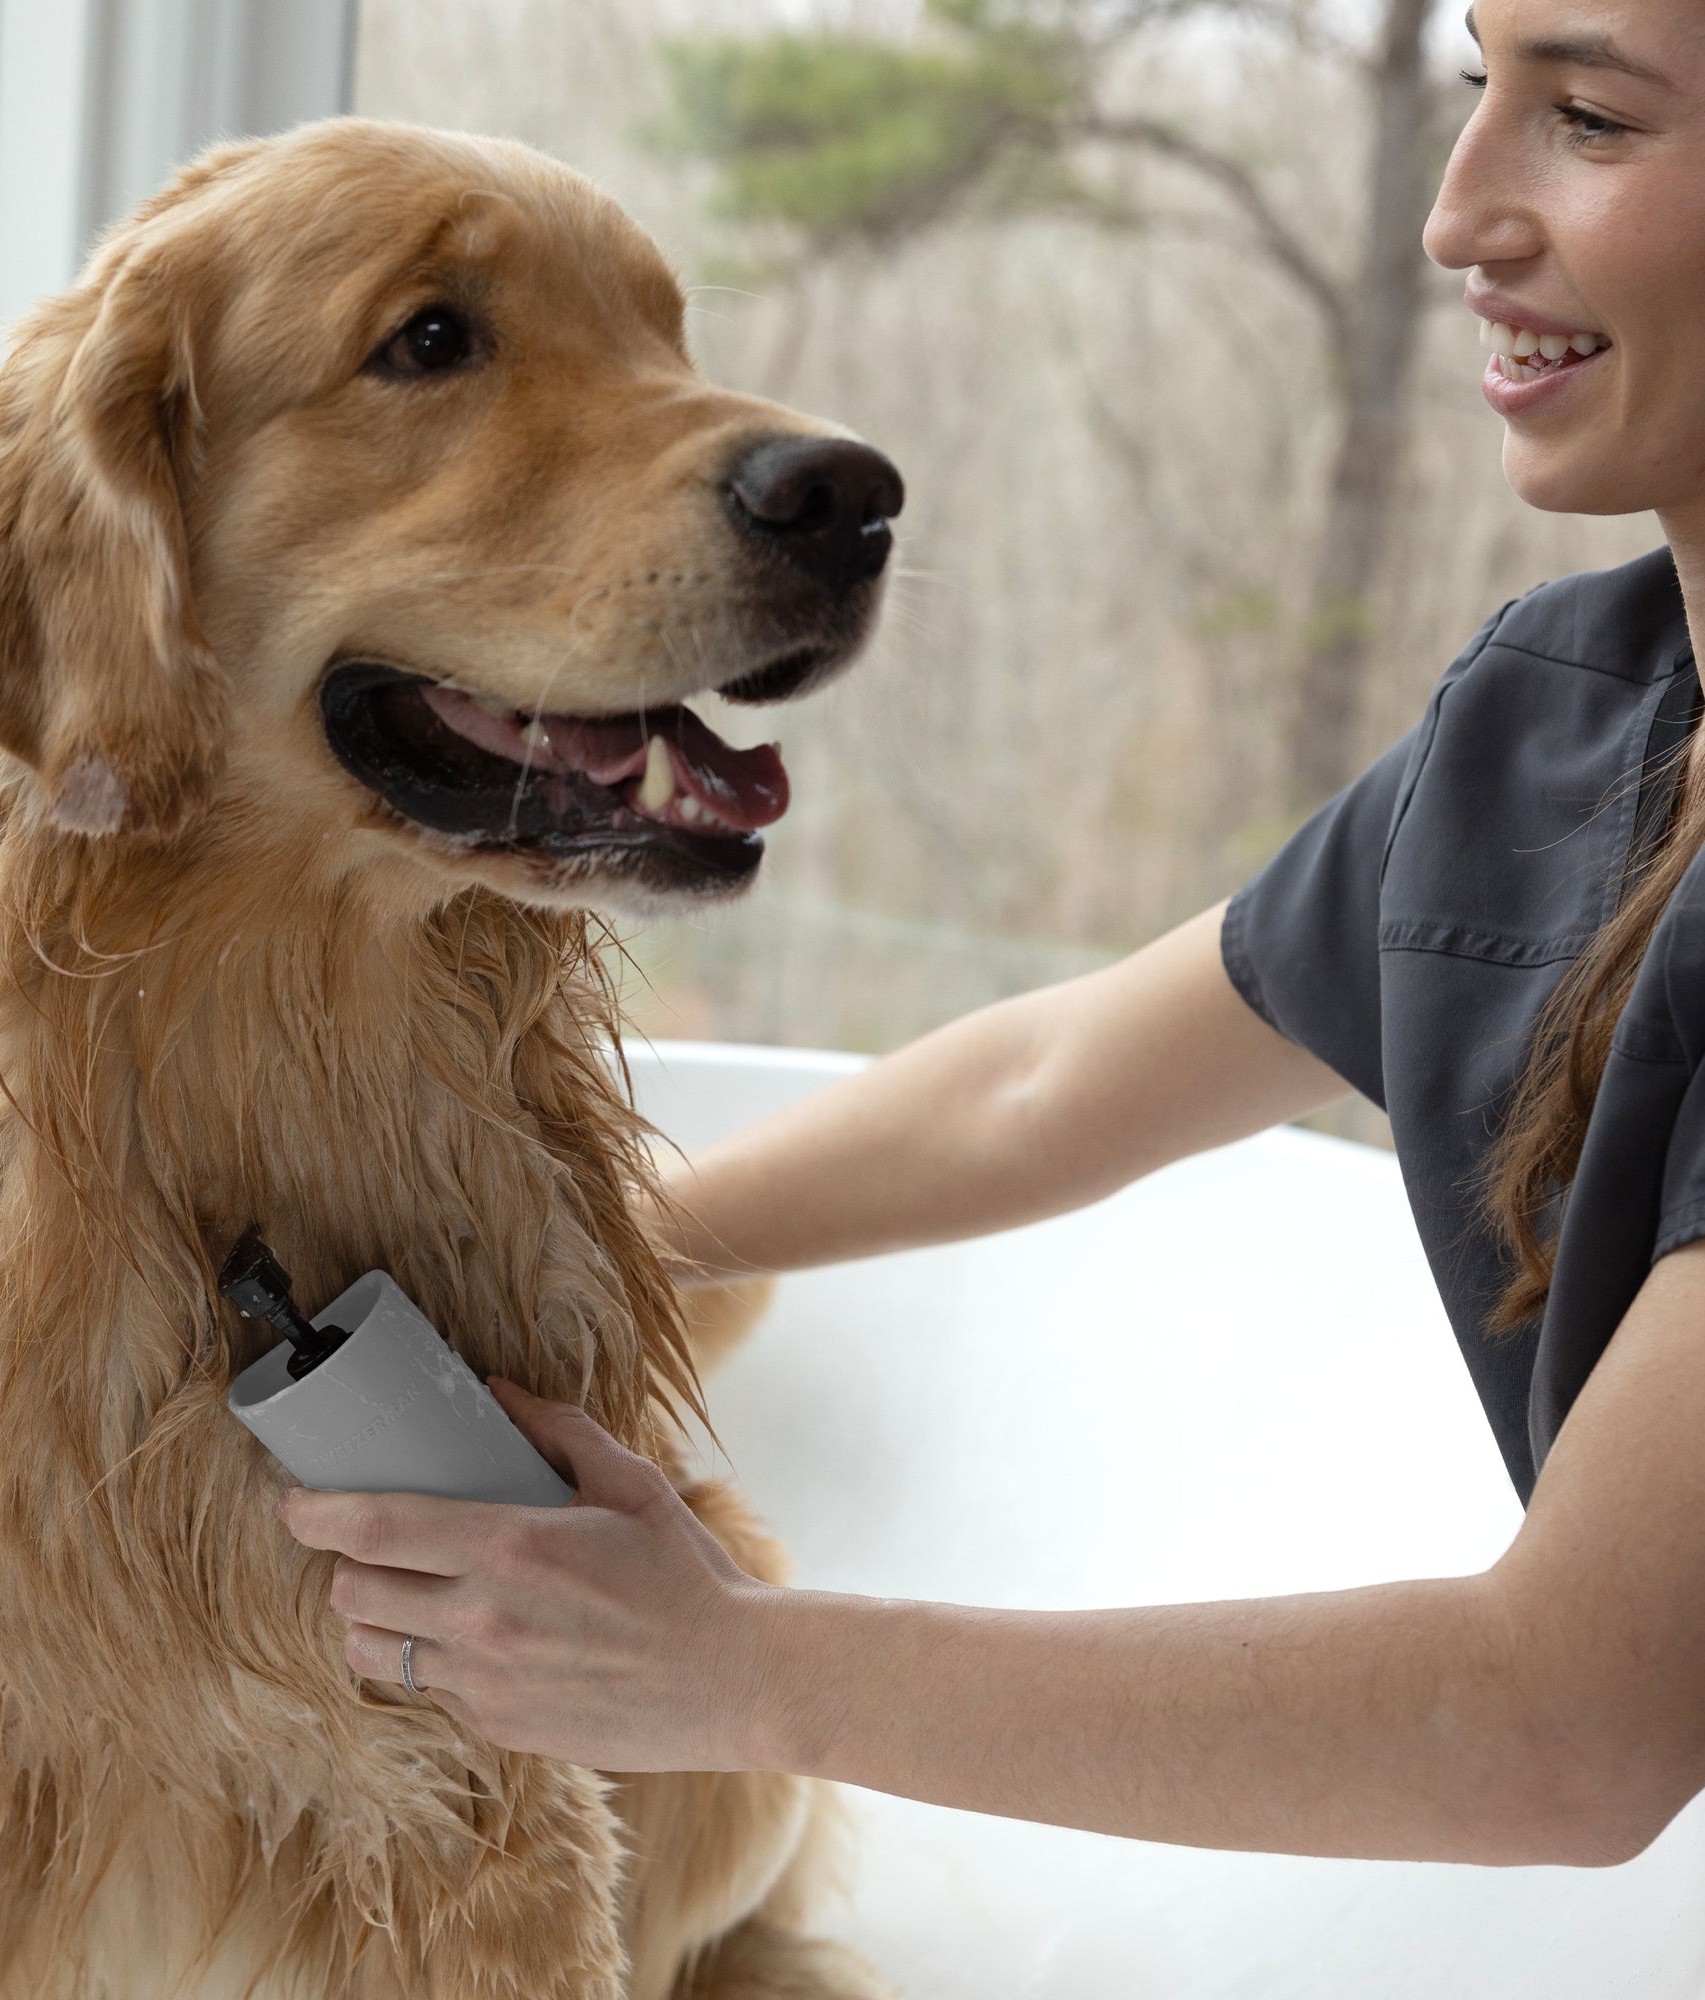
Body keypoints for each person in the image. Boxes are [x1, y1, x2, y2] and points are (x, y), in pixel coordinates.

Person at [281, 0, 1705, 1865]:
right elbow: (1039, 1086)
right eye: (1476, 90)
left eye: (1589, 117)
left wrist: (727, 1670)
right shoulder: (1560, 724)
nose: (1457, 215)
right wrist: (575, 1261)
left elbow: (1565, 1733)